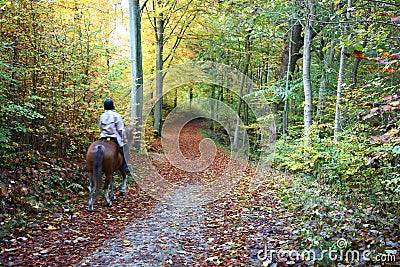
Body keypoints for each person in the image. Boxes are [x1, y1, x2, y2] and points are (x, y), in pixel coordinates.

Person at [99, 98, 130, 174]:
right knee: (126, 149)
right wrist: (124, 138)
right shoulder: (116, 115)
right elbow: (120, 129)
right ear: (113, 106)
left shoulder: (102, 116)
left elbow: (100, 127)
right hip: (114, 137)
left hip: (103, 137)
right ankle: (125, 167)